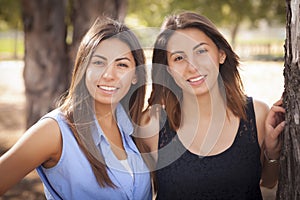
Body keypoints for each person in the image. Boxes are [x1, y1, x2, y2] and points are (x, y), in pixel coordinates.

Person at [135, 11, 285, 199]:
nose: (192, 66)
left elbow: (268, 182)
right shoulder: (151, 125)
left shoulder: (258, 114)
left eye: (201, 51)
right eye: (179, 58)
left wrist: (272, 153)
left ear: (221, 54)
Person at [0, 17, 152, 200]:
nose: (109, 75)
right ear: (83, 68)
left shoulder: (135, 129)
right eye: (98, 62)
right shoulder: (55, 131)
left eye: (121, 65)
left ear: (135, 75)